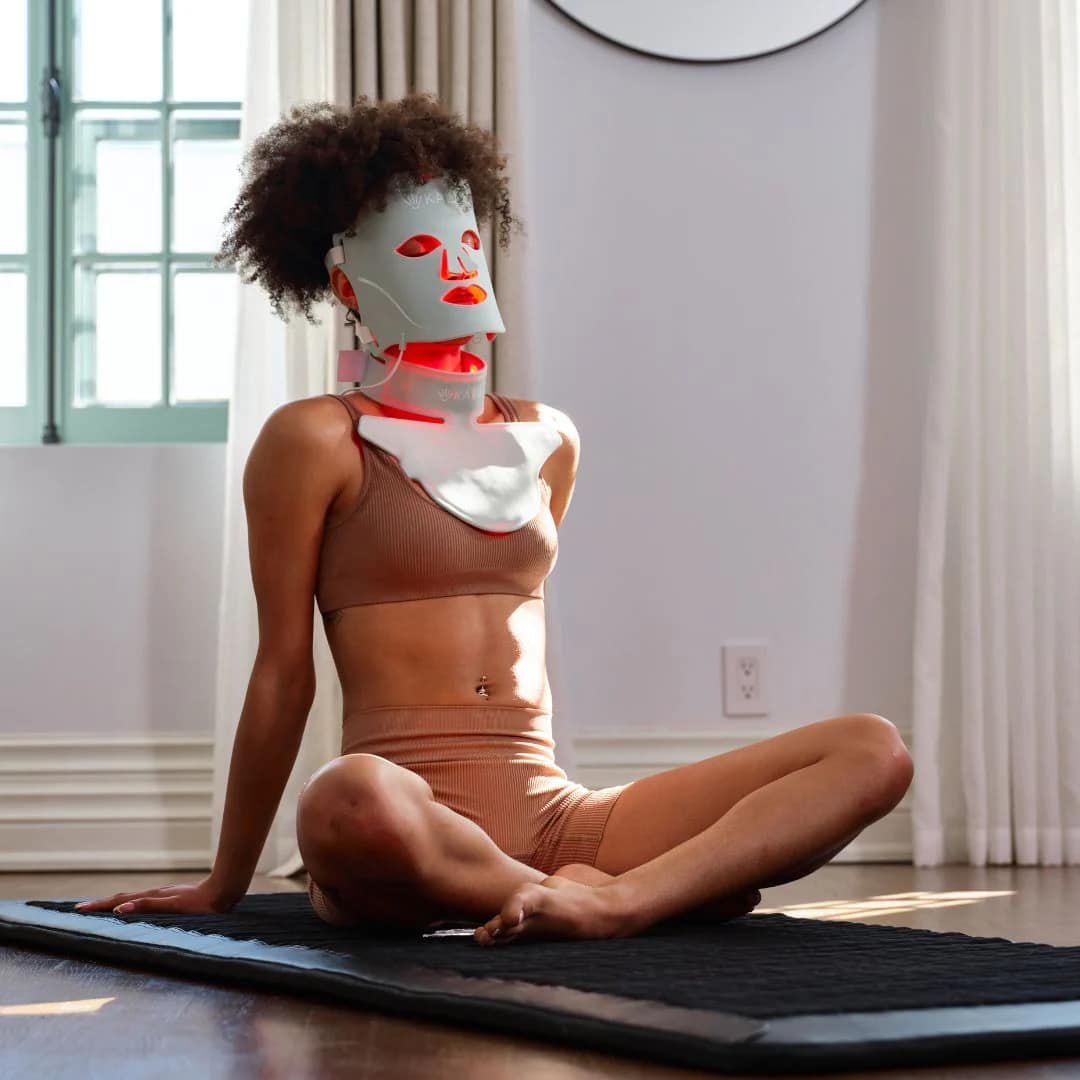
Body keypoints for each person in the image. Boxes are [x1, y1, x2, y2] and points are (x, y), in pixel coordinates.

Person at [75, 95, 913, 945]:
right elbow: (284, 672)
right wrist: (226, 883)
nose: (453, 267)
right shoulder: (315, 438)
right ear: (345, 282)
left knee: (871, 750)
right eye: (417, 249)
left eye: (467, 242)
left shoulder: (548, 438)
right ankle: (614, 895)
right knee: (345, 798)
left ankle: (613, 900)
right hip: (405, 815)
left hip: (558, 815)